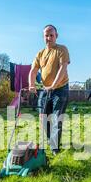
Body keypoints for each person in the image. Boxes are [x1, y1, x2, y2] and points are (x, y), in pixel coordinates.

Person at [29, 25, 70, 155]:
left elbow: (62, 69)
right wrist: (31, 84)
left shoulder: (62, 49)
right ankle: (50, 140)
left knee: (57, 119)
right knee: (43, 118)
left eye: (51, 35)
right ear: (43, 37)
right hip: (45, 90)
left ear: (56, 36)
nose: (49, 38)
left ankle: (54, 148)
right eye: (46, 35)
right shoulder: (40, 54)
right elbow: (33, 71)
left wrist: (54, 84)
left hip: (60, 89)